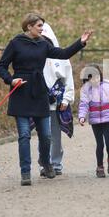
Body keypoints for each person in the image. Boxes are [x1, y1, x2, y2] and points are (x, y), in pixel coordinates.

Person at [0, 13, 92, 186]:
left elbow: (63, 54)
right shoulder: (15, 43)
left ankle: (46, 163)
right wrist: (10, 79)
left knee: (46, 135)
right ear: (29, 27)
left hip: (40, 92)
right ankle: (25, 172)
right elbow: (1, 66)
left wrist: (81, 42)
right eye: (39, 26)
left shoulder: (43, 44)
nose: (42, 29)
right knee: (24, 135)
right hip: (21, 91)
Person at [37, 22, 75, 177]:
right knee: (43, 136)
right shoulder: (35, 58)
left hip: (57, 104)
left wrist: (66, 99)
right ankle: (44, 164)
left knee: (55, 136)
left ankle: (56, 163)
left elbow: (69, 80)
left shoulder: (62, 58)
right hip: (40, 102)